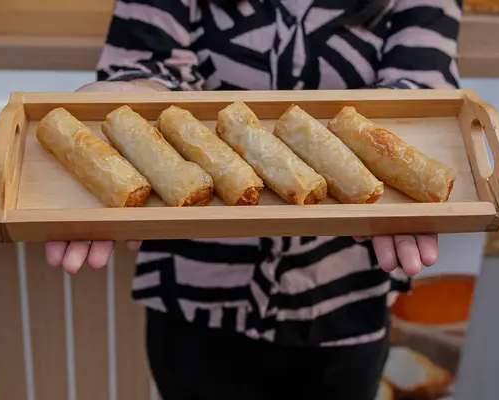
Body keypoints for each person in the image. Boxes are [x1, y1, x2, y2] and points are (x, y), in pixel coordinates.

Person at [46, 0, 462, 399]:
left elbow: (420, 86)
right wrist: (134, 90)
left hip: (344, 298)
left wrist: (399, 145)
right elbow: (147, 64)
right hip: (194, 296)